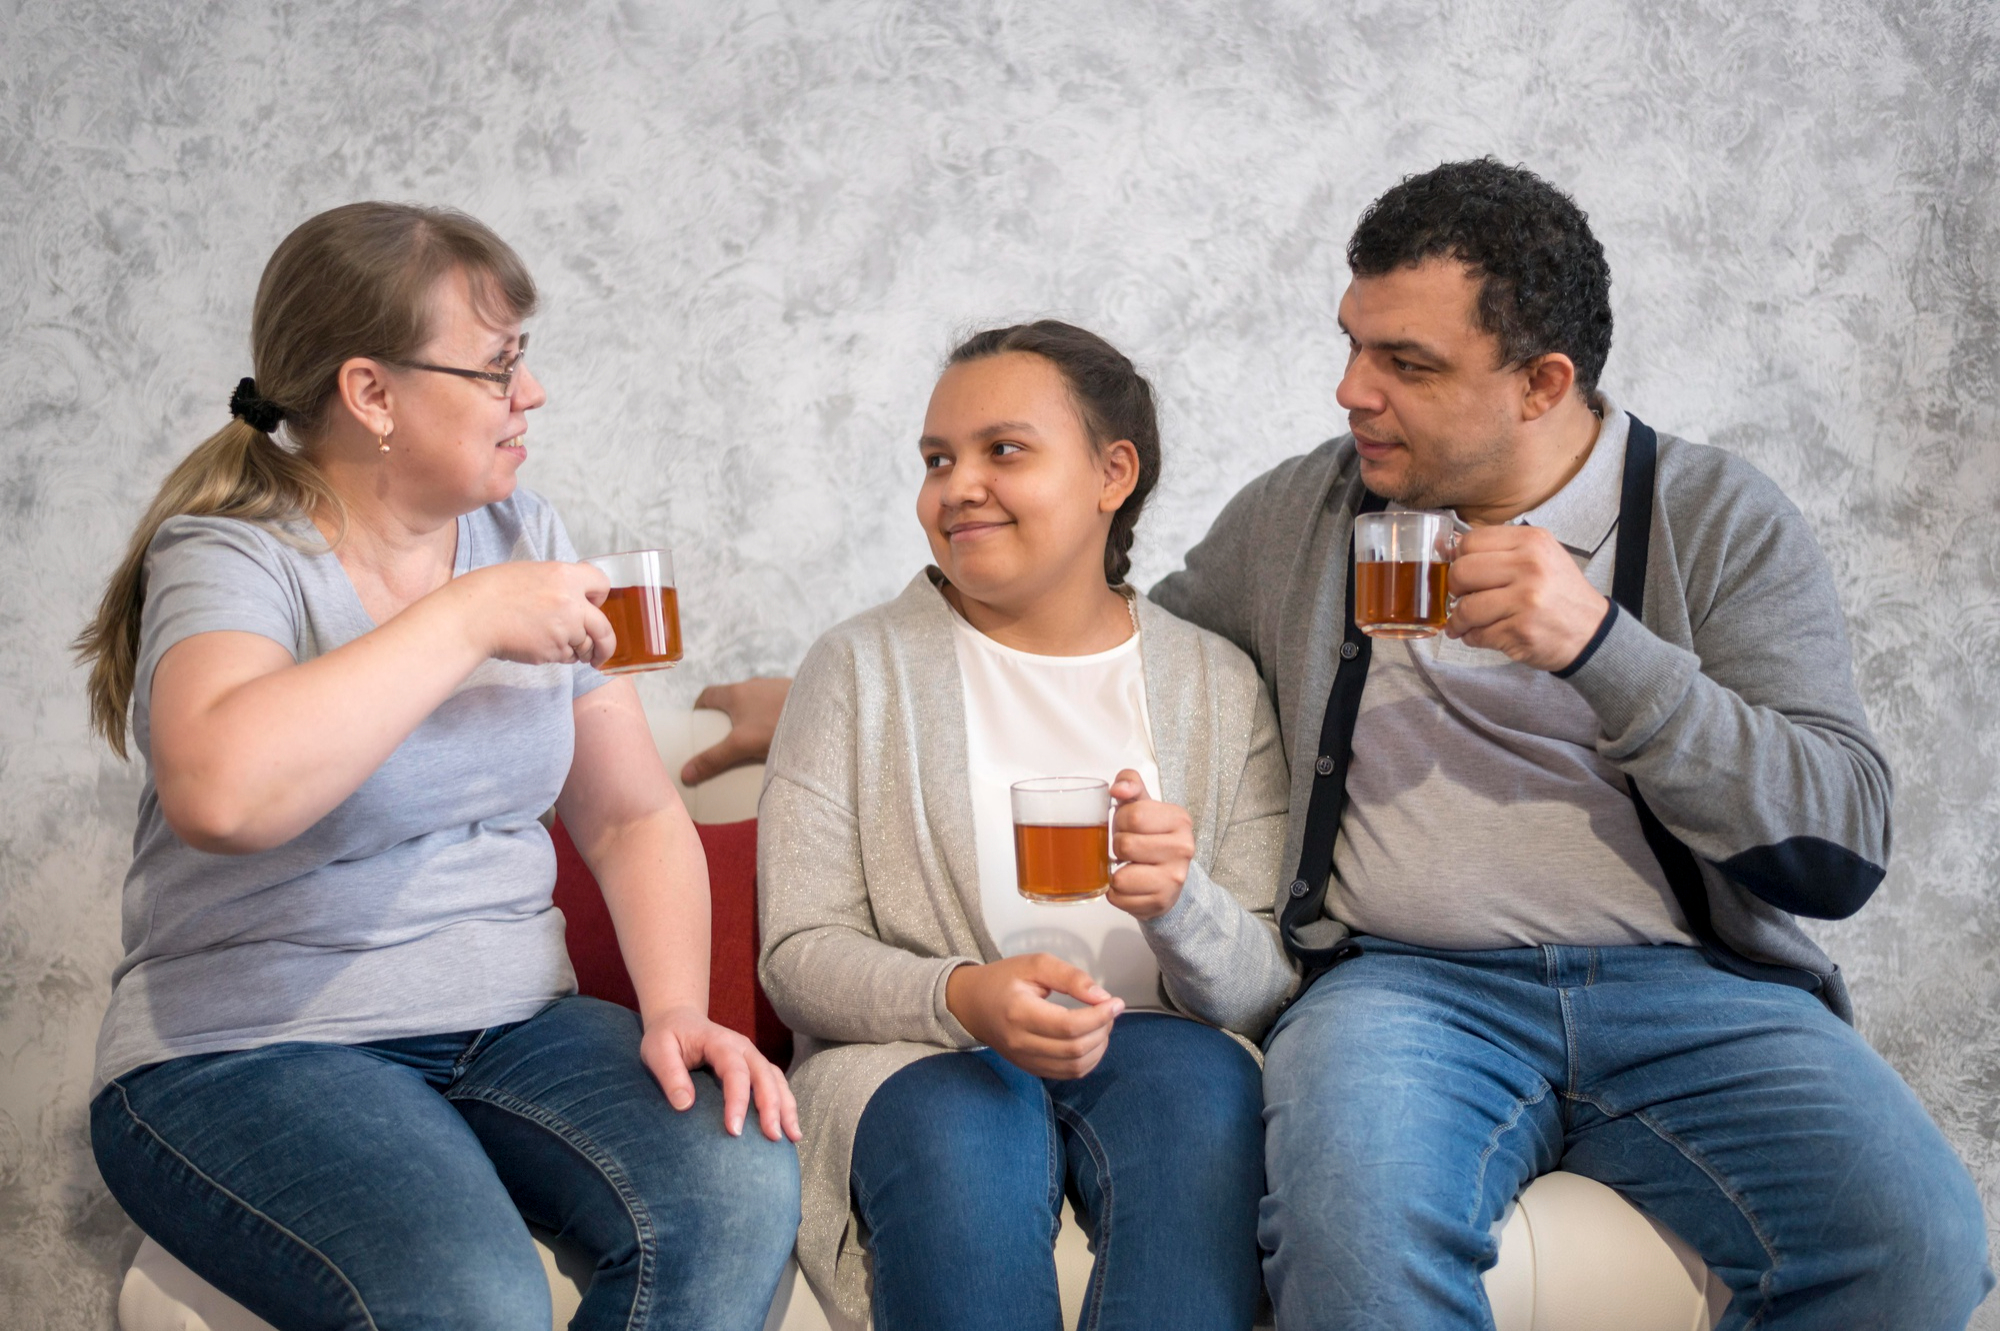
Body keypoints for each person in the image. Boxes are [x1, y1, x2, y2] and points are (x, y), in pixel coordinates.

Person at [690, 161, 1993, 1329]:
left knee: (1920, 1244)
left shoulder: (1712, 516)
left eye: (1407, 363)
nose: (1351, 390)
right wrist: (816, 692)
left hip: (1692, 990)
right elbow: (1109, 642)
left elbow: (1840, 836)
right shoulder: (1311, 510)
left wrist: (1605, 644)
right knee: (1349, 1233)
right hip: (1407, 990)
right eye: (1353, 344)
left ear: (1542, 382)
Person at [76, 201, 800, 1331]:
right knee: (470, 1296)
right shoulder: (231, 553)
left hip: (512, 1024)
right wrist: (462, 620)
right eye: (498, 364)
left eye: (525, 359)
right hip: (246, 1049)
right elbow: (221, 793)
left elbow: (627, 812)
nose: (534, 392)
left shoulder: (527, 537)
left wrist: (674, 1007)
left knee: (735, 1180)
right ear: (371, 393)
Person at [756, 321, 1294, 1330]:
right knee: (959, 1130)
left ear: (1110, 473)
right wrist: (963, 994)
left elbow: (1262, 984)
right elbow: (796, 953)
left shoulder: (1216, 683)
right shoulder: (856, 668)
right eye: (935, 459)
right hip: (920, 1054)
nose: (956, 484)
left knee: (1204, 1093)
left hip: (1158, 1045)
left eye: (1003, 449)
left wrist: (1184, 906)